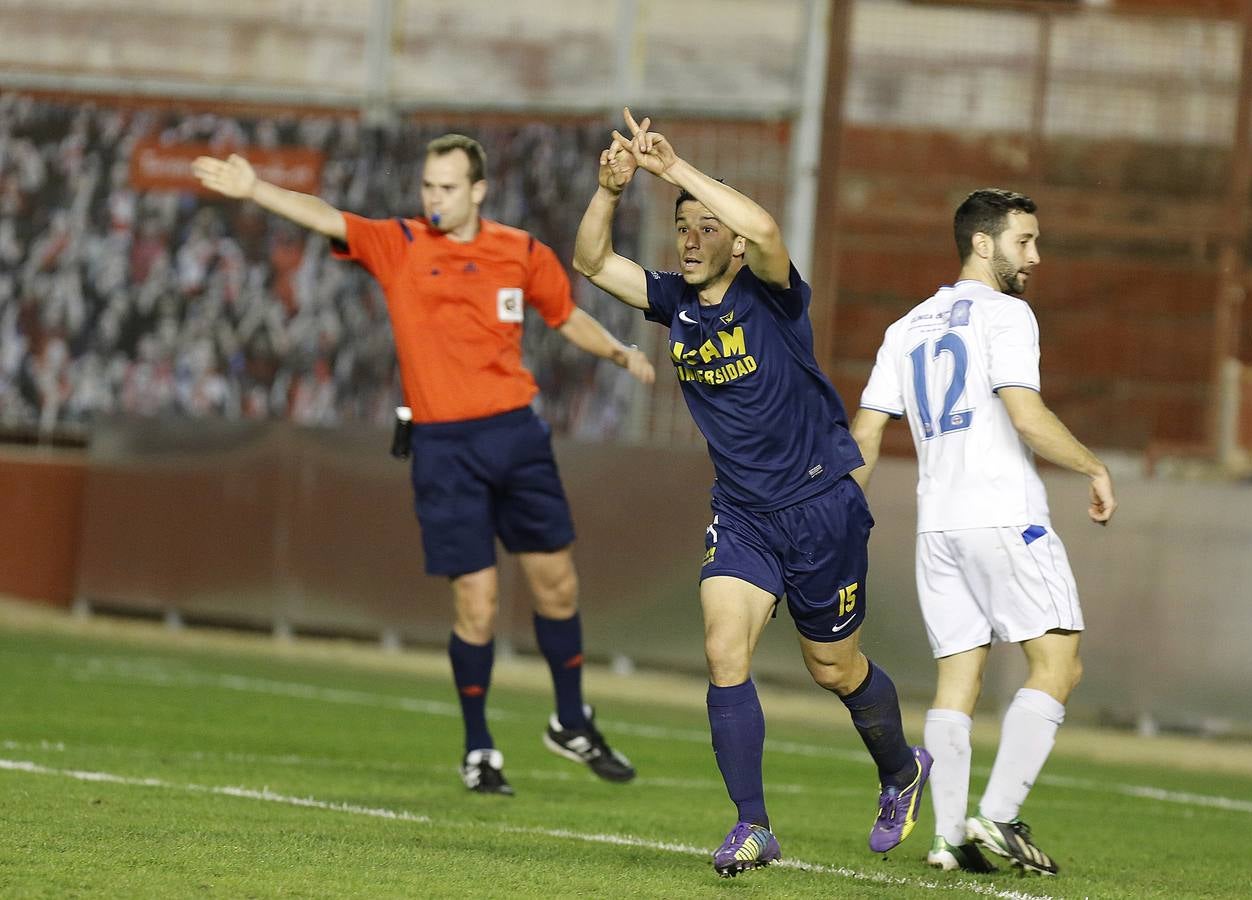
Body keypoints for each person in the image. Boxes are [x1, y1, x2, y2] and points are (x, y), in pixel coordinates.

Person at [191, 133, 654, 796]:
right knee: (478, 603)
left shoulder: (521, 251)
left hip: (518, 438)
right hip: (444, 448)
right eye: (427, 186)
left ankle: (572, 719)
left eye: (445, 187)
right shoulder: (399, 244)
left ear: (478, 190)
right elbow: (328, 216)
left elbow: (566, 316)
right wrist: (256, 189)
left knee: (558, 586)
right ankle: (479, 748)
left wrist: (618, 352)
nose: (432, 197)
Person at [573, 109, 930, 878]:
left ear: (733, 242)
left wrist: (680, 173)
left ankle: (901, 769)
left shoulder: (772, 295)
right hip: (742, 515)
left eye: (708, 227)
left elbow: (766, 229)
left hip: (820, 508)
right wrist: (610, 191)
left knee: (833, 669)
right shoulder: (673, 302)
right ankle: (753, 825)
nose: (692, 238)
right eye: (682, 227)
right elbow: (594, 262)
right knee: (722, 650)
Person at [850, 188, 1117, 876]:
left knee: (956, 683)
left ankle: (946, 839)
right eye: (1024, 241)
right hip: (1003, 517)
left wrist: (842, 516)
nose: (1035, 255)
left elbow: (868, 433)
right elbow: (1025, 418)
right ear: (982, 243)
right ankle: (995, 818)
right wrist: (1092, 465)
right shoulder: (1007, 315)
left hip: (938, 527)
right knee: (1059, 663)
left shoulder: (906, 326)